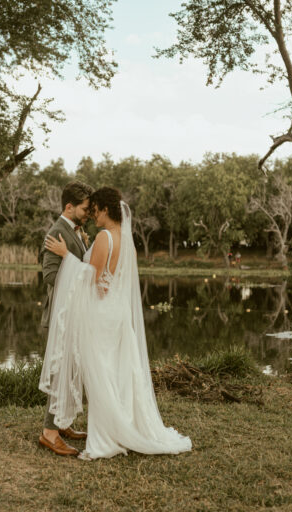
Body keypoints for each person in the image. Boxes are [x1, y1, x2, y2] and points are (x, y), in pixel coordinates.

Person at [41, 187, 192, 460]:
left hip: (100, 316)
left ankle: (105, 431)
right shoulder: (127, 241)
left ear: (107, 210)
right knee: (115, 373)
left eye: (95, 210)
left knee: (101, 374)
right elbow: (113, 282)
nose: (93, 216)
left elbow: (95, 281)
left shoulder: (103, 238)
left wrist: (68, 256)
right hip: (117, 314)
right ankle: (117, 424)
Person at [37, 181, 94, 457]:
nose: (88, 213)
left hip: (74, 314)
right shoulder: (56, 233)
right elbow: (49, 276)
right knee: (60, 371)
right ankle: (49, 433)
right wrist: (72, 257)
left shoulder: (76, 231)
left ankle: (63, 423)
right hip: (60, 317)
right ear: (69, 207)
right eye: (84, 209)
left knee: (72, 370)